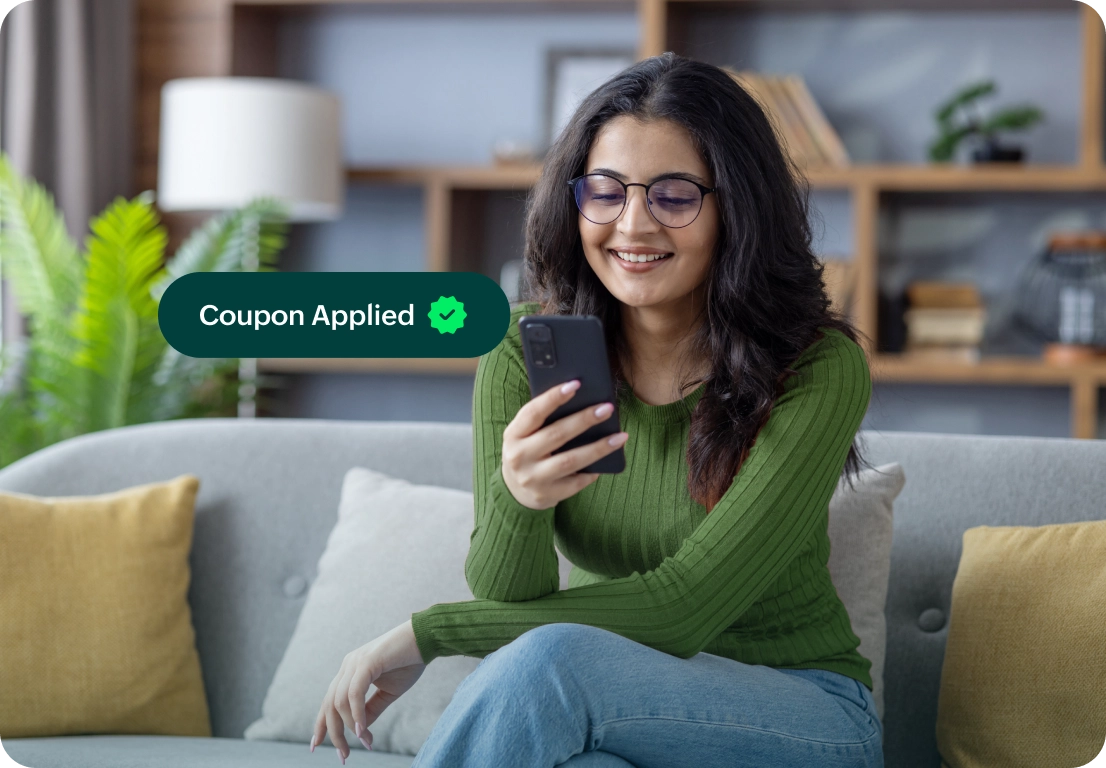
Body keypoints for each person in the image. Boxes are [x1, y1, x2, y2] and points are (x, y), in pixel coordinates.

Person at [310, 51, 885, 768]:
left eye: (674, 195)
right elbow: (508, 591)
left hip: (799, 713)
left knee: (552, 662)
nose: (633, 225)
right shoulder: (520, 359)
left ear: (735, 207)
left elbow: (685, 610)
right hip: (614, 708)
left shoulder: (815, 367)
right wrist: (521, 500)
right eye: (605, 192)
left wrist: (427, 635)